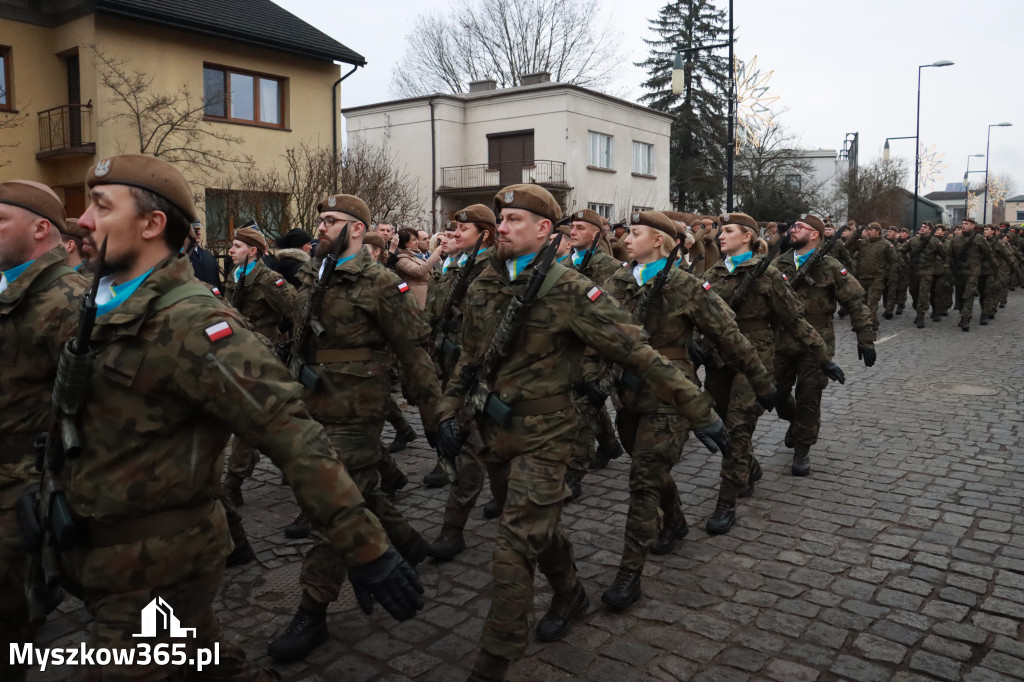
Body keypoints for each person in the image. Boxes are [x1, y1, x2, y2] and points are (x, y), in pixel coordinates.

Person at [65, 154, 422, 680]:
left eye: (99, 206)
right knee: (202, 656)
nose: (85, 222)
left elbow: (293, 435)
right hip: (101, 545)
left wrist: (365, 547)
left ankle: (336, 587)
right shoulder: (98, 304)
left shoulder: (194, 321)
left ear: (151, 223)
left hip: (160, 558)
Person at [434, 184, 730, 682]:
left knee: (512, 546)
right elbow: (470, 357)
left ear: (544, 230)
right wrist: (446, 412)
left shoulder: (571, 290)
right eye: (501, 219)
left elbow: (637, 351)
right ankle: (569, 592)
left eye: (513, 221)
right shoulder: (486, 282)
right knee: (537, 529)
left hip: (550, 436)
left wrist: (700, 409)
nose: (501, 227)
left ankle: (492, 663)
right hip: (496, 431)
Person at [269, 193, 442, 661]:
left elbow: (413, 350)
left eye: (331, 221)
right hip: (312, 402)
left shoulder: (381, 282)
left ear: (357, 229)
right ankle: (408, 544)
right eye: (320, 220)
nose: (320, 227)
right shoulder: (313, 274)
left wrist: (434, 415)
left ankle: (312, 610)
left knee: (333, 508)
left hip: (357, 409)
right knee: (361, 493)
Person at [599, 210, 775, 610]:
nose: (626, 238)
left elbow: (729, 336)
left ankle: (629, 573)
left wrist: (762, 381)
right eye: (626, 233)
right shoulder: (618, 282)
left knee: (643, 479)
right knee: (649, 468)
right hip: (626, 395)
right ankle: (675, 520)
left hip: (671, 397)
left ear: (659, 240)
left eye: (636, 233)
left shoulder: (686, 285)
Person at [702, 212, 842, 534]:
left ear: (748, 237)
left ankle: (726, 503)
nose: (720, 236)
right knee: (720, 421)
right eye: (720, 231)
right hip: (718, 359)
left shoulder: (767, 276)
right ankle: (747, 466)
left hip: (755, 359)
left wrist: (823, 356)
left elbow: (795, 322)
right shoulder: (712, 274)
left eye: (728, 231)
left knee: (738, 427)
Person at [0, 181, 88, 682]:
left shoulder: (68, 300)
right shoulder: (11, 285)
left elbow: (92, 411)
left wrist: (55, 486)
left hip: (23, 484)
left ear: (40, 229)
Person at [426, 204, 506, 560]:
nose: (453, 235)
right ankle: (494, 506)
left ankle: (453, 528)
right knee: (483, 451)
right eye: (453, 229)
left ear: (484, 236)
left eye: (462, 230)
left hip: (484, 375)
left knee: (477, 450)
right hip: (456, 367)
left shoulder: (493, 271)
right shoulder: (457, 267)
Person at [772, 214, 874, 476]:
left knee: (809, 397)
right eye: (792, 226)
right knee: (776, 393)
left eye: (798, 227)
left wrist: (865, 338)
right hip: (782, 340)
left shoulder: (830, 266)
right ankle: (795, 424)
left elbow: (855, 302)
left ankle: (802, 448)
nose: (792, 231)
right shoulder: (779, 263)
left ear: (815, 234)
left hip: (817, 341)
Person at [221, 225, 298, 506]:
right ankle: (293, 466)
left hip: (262, 356)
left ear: (253, 251)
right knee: (273, 419)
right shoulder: (235, 274)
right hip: (237, 354)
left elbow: (294, 311)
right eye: (232, 245)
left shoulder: (269, 279)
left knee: (249, 418)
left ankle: (233, 481)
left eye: (237, 246)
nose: (231, 250)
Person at [563, 209, 626, 478]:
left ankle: (575, 472)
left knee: (583, 407)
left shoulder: (610, 268)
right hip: (568, 346)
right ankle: (610, 445)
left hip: (597, 348)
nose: (573, 231)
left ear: (596, 234)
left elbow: (615, 314)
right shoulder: (564, 266)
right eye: (572, 227)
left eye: (580, 227)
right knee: (586, 400)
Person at [848, 222, 896, 329]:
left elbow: (893, 262)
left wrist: (890, 278)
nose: (868, 232)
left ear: (878, 232)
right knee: (862, 303)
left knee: (872, 303)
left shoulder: (886, 244)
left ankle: (869, 325)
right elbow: (848, 245)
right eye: (868, 230)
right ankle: (873, 321)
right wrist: (857, 233)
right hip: (863, 277)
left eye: (871, 230)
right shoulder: (863, 243)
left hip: (877, 278)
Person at [950, 218, 993, 331]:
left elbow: (989, 254)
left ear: (973, 226)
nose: (963, 226)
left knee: (968, 295)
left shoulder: (979, 239)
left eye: (966, 224)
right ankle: (962, 314)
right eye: (963, 224)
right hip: (959, 272)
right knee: (959, 296)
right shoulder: (956, 239)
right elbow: (950, 255)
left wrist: (993, 270)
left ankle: (966, 319)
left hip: (973, 272)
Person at [393, 227, 444, 307]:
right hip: (415, 301)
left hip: (426, 299)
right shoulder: (401, 260)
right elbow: (419, 271)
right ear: (405, 243)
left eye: (417, 239)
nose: (417, 242)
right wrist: (435, 254)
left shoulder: (416, 256)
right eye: (414, 240)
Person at [906, 222, 943, 328]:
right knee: (913, 292)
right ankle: (917, 309)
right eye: (921, 226)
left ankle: (920, 316)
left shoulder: (935, 242)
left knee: (923, 294)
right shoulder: (913, 240)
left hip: (927, 273)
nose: (922, 228)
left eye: (925, 227)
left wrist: (941, 269)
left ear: (930, 230)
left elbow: (944, 255)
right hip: (914, 272)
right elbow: (901, 250)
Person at [187, 220, 222, 288]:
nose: (199, 233)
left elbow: (217, 283)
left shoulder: (208, 256)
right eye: (195, 230)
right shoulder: (181, 257)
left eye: (199, 230)